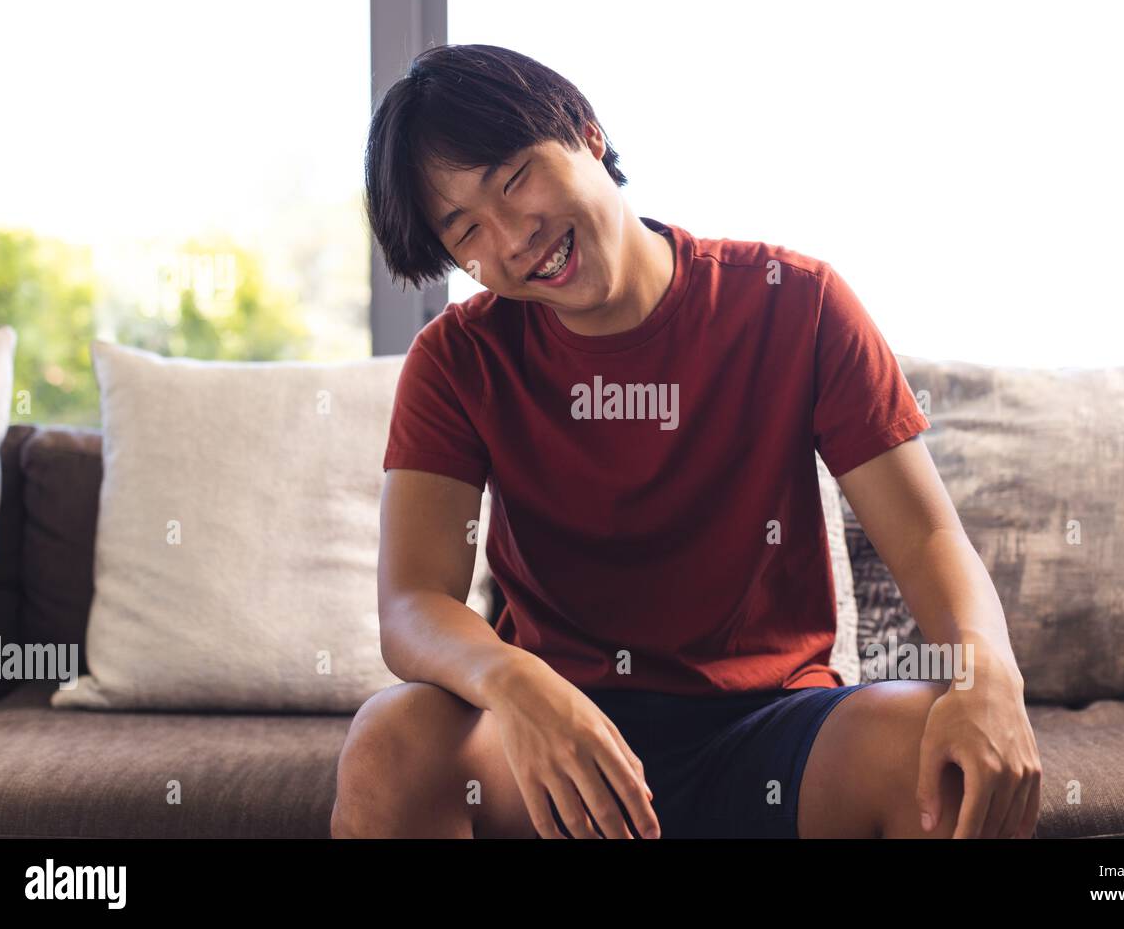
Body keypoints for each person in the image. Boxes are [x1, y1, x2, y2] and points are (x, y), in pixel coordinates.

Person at [331, 43, 1042, 839]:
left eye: (515, 178)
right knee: (391, 742)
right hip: (559, 742)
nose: (511, 238)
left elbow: (927, 535)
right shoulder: (457, 360)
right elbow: (412, 603)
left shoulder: (797, 303)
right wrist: (517, 685)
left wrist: (989, 675)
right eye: (467, 229)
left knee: (933, 748)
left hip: (775, 731)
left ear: (587, 133)